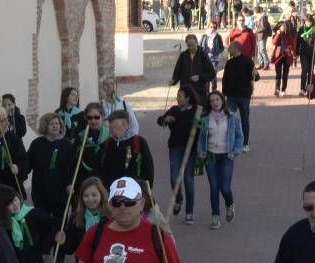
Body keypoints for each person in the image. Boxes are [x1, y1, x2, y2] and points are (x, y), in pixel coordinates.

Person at [197, 90, 244, 229]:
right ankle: (215, 217)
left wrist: (235, 151)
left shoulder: (232, 117)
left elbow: (240, 137)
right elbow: (201, 138)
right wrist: (201, 151)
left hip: (226, 156)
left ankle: (229, 204)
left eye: (217, 100)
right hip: (210, 156)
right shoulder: (205, 118)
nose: (215, 103)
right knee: (214, 187)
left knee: (224, 187)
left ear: (222, 100)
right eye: (212, 101)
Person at [157, 86, 200, 224]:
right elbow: (160, 120)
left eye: (180, 96)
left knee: (188, 179)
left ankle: (189, 211)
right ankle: (179, 198)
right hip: (175, 147)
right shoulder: (174, 110)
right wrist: (165, 120)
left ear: (188, 98)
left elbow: (202, 128)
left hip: (191, 149)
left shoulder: (196, 111)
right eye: (177, 95)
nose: (178, 98)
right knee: (174, 178)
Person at [26, 112, 74, 223]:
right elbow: (27, 164)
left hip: (60, 191)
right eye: (51, 124)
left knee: (60, 222)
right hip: (41, 190)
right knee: (42, 222)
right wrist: (19, 171)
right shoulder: (37, 144)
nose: (55, 126)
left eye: (57, 123)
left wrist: (70, 183)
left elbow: (71, 167)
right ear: (45, 126)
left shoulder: (66, 144)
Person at [99, 109, 155, 190]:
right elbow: (102, 168)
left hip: (134, 189)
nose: (110, 128)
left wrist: (147, 188)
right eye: (110, 125)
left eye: (114, 125)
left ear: (127, 125)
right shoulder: (107, 144)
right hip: (112, 190)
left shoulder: (139, 142)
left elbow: (148, 167)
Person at [222, 41, 255, 152]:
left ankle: (245, 143)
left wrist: (255, 74)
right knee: (229, 118)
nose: (228, 50)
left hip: (244, 95)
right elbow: (225, 78)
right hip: (231, 95)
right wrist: (223, 93)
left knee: (244, 119)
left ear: (236, 49)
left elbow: (255, 76)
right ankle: (230, 140)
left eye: (230, 48)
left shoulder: (248, 61)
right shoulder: (229, 63)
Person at [171, 34, 217, 103]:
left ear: (197, 43)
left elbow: (211, 73)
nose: (191, 47)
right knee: (186, 112)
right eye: (189, 45)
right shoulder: (183, 55)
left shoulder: (203, 55)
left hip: (199, 91)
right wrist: (173, 80)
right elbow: (177, 71)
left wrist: (199, 77)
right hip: (185, 92)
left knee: (198, 112)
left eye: (193, 45)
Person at [73, 102, 110, 187]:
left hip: (104, 180)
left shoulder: (110, 136)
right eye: (90, 118)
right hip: (84, 180)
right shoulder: (81, 136)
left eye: (96, 117)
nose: (93, 121)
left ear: (103, 117)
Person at [271, 20, 297, 97]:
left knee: (285, 74)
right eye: (282, 26)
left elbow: (293, 45)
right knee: (278, 74)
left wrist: (293, 55)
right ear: (279, 27)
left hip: (287, 56)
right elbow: (273, 43)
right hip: (278, 56)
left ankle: (283, 89)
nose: (284, 28)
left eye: (285, 26)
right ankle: (277, 89)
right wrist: (278, 35)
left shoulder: (289, 35)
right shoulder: (277, 34)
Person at [297, 14, 315, 95]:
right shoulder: (301, 29)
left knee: (311, 71)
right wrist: (296, 53)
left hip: (312, 53)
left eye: (310, 22)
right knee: (304, 71)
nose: (308, 23)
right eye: (307, 22)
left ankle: (309, 88)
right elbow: (298, 41)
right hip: (303, 53)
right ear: (305, 21)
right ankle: (302, 89)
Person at [201, 22, 226, 91]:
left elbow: (222, 47)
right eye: (211, 27)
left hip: (214, 59)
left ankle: (214, 89)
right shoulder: (204, 36)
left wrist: (216, 52)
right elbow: (200, 46)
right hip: (205, 58)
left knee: (213, 74)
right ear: (208, 27)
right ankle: (206, 91)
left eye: (214, 27)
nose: (213, 29)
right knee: (206, 75)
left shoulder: (218, 36)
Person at [253, 6, 272, 70]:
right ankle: (261, 63)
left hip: (262, 35)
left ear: (257, 12)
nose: (254, 14)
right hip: (259, 35)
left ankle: (266, 64)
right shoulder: (258, 18)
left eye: (255, 12)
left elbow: (263, 27)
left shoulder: (263, 17)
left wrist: (256, 31)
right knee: (259, 50)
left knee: (262, 49)